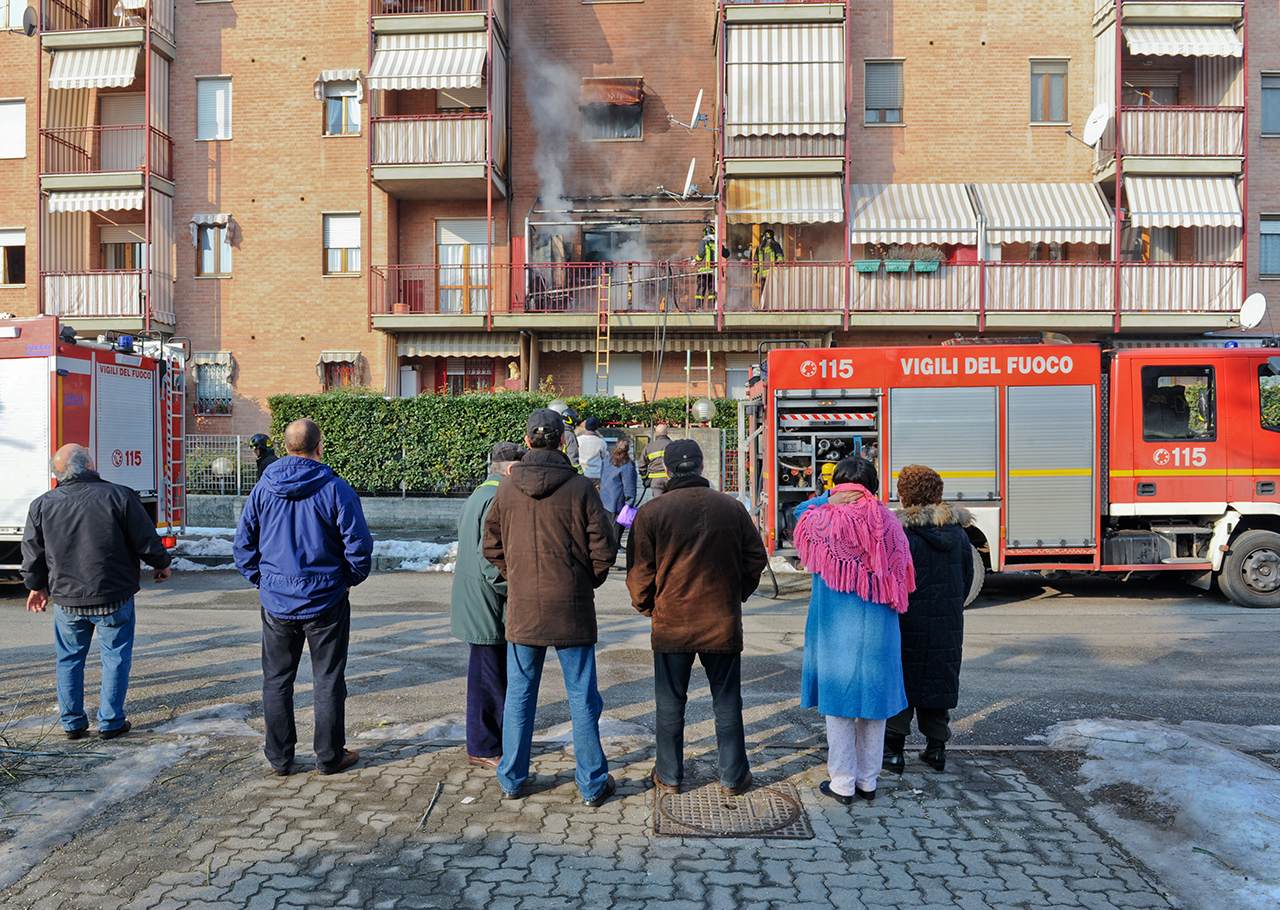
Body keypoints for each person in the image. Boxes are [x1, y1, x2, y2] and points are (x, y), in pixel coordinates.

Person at [482, 408, 618, 807]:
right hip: (572, 607)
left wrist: (519, 576)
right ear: (563, 441)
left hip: (524, 608)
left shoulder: (505, 489)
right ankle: (592, 784)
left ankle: (511, 779)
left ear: (527, 442)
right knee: (582, 696)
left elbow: (490, 546)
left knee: (520, 695)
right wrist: (583, 580)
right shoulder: (580, 488)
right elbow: (604, 549)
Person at [626, 439, 768, 796]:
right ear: (702, 468)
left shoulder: (652, 512)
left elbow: (639, 572)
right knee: (726, 702)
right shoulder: (732, 508)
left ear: (667, 471)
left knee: (670, 702)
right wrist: (736, 596)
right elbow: (755, 560)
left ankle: (670, 776)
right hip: (721, 621)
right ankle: (734, 777)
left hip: (672, 623)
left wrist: (649, 607)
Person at [234, 418, 374, 777]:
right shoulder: (335, 489)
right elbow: (358, 545)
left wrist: (265, 582)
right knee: (327, 679)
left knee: (277, 680)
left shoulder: (263, 488)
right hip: (325, 600)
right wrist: (348, 581)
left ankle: (280, 759)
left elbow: (242, 546)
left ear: (285, 447)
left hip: (278, 602)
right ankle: (329, 756)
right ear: (319, 446)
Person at [21, 444, 172, 740]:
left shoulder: (42, 504)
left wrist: (36, 586)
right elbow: (145, 539)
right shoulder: (119, 495)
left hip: (67, 599)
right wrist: (161, 564)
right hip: (112, 594)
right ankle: (110, 721)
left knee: (69, 659)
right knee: (114, 658)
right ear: (89, 464)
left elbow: (33, 553)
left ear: (58, 474)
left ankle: (73, 723)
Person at [793, 455, 914, 805]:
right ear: (872, 485)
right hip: (880, 628)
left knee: (840, 704)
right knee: (875, 707)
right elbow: (903, 573)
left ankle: (842, 782)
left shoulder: (822, 518)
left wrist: (824, 500)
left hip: (836, 628)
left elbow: (799, 513)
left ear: (838, 485)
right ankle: (868, 781)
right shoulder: (890, 522)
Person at [884, 464, 975, 775]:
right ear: (938, 493)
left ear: (905, 496)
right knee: (939, 677)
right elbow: (967, 578)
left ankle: (893, 754)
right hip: (946, 622)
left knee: (901, 680)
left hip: (906, 620)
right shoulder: (958, 534)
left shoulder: (899, 533)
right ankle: (936, 751)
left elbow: (890, 579)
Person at [451, 442, 527, 770]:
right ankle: (483, 746)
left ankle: (490, 741)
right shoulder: (496, 498)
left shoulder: (478, 494)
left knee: (489, 676)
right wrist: (519, 588)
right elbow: (490, 562)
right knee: (487, 680)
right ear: (511, 470)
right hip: (487, 603)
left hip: (476, 599)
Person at [599, 437, 638, 548]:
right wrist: (630, 503)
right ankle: (611, 554)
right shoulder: (627, 466)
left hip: (605, 500)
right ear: (628, 450)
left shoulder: (607, 459)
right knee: (615, 535)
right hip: (618, 505)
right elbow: (629, 487)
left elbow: (602, 476)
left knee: (605, 532)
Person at [752, 228, 783, 309]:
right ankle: (773, 307)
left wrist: (755, 274)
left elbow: (755, 262)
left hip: (763, 274)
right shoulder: (775, 245)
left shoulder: (759, 248)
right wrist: (781, 269)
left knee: (763, 292)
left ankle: (763, 307)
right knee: (773, 291)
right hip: (773, 274)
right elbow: (780, 258)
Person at [639, 422, 671, 498]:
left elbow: (642, 465)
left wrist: (645, 479)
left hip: (655, 480)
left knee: (658, 505)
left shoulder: (649, 447)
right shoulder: (672, 445)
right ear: (667, 433)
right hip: (670, 479)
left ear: (655, 434)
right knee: (670, 504)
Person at [577, 417, 607, 488]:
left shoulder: (578, 439)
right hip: (597, 475)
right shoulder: (601, 442)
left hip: (582, 473)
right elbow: (605, 457)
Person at [694, 224, 719, 308]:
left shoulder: (703, 241)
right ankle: (711, 307)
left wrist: (696, 260)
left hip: (703, 270)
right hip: (713, 271)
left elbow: (701, 254)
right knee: (712, 290)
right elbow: (726, 253)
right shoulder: (716, 243)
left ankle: (699, 307)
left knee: (701, 289)